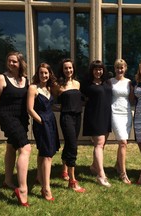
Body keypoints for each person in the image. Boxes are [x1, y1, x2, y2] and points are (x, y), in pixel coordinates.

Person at [0, 51, 31, 207]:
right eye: (9, 61)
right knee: (25, 148)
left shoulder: (25, 80)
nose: (11, 63)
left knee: (12, 147)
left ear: (20, 63)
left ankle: (7, 180)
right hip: (7, 117)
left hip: (21, 118)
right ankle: (22, 189)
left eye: (14, 61)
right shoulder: (1, 78)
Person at [27, 63, 60, 201]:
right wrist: (41, 121)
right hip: (41, 123)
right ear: (37, 74)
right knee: (47, 155)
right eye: (41, 73)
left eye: (46, 73)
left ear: (49, 74)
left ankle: (39, 177)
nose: (44, 75)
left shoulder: (49, 88)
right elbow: (30, 109)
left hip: (51, 121)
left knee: (43, 151)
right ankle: (46, 188)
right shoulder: (33, 88)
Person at [82, 60, 112, 187]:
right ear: (92, 71)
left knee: (102, 143)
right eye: (95, 69)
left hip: (106, 115)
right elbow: (80, 96)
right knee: (99, 144)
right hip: (94, 116)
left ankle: (94, 166)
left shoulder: (107, 82)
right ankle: (101, 175)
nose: (98, 71)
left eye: (100, 69)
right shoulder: (87, 84)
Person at [57, 58, 85, 192]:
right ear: (62, 70)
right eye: (65, 68)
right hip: (66, 117)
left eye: (70, 68)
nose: (68, 70)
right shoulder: (59, 86)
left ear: (73, 69)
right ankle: (72, 181)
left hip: (77, 117)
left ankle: (64, 171)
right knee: (73, 146)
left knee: (69, 144)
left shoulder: (78, 84)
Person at [111, 59, 133, 184]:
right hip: (114, 112)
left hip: (126, 113)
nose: (120, 70)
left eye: (122, 67)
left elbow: (132, 98)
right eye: (118, 68)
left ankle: (117, 165)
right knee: (123, 142)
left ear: (125, 68)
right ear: (115, 69)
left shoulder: (129, 82)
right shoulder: (110, 81)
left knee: (123, 143)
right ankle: (123, 173)